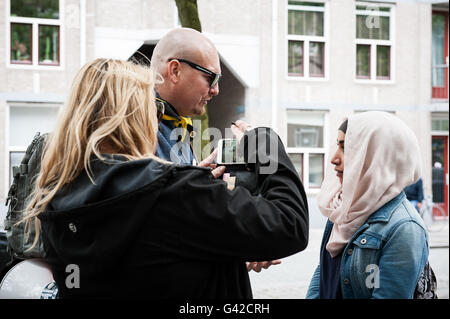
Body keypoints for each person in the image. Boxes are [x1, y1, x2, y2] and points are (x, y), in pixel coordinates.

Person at [22, 58, 309, 298]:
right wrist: (264, 142)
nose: (158, 119)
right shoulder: (174, 193)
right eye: (156, 108)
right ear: (132, 116)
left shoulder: (54, 197)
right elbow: (289, 224)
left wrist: (196, 183)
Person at [149, 27, 280, 272]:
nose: (216, 90)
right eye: (211, 78)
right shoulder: (138, 125)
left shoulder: (177, 123)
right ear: (175, 70)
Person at [306, 111, 429, 299]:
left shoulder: (404, 228)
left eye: (346, 148)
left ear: (377, 157)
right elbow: (325, 273)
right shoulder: (343, 209)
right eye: (337, 146)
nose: (333, 158)